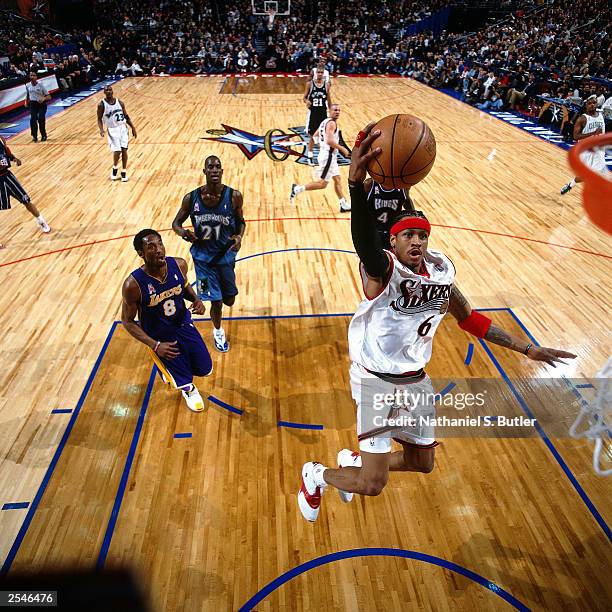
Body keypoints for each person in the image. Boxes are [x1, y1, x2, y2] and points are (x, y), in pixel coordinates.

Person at [297, 122, 577, 522]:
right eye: (406, 235)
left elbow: (473, 321)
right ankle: (317, 475)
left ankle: (356, 460)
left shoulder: (441, 276)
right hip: (376, 379)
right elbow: (363, 239)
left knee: (422, 462)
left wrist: (528, 348)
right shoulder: (382, 269)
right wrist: (357, 188)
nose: (415, 241)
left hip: (416, 379)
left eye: (421, 235)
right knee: (373, 486)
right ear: (391, 243)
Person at [121, 229, 212, 412]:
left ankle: (172, 370)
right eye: (151, 247)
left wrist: (196, 299)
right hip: (161, 337)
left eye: (160, 244)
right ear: (141, 253)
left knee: (205, 368)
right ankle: (188, 389)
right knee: (182, 380)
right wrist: (155, 345)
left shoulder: (179, 265)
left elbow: (183, 286)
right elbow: (128, 322)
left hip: (183, 324)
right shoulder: (133, 285)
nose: (158, 250)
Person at [172, 156, 245, 353]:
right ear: (204, 171)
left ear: (222, 171)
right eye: (210, 167)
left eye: (217, 167)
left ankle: (221, 310)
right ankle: (218, 331)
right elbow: (176, 223)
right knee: (217, 301)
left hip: (225, 257)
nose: (214, 170)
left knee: (229, 300)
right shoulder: (191, 198)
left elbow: (241, 222)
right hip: (202, 260)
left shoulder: (234, 196)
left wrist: (239, 237)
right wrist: (183, 232)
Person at [290, 104, 351, 213]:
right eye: (335, 110)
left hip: (327, 154)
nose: (337, 112)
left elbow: (314, 137)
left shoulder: (324, 122)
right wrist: (343, 149)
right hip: (328, 156)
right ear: (329, 111)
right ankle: (297, 189)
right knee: (322, 184)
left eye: (339, 110)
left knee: (337, 179)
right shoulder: (331, 123)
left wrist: (316, 148)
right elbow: (329, 141)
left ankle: (343, 204)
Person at [0, 135, 50, 247]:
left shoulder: (1, 140)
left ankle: (41, 221)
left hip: (8, 176)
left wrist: (14, 159)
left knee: (26, 200)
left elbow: (7, 153)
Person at [560, 95, 608, 194]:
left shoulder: (601, 116)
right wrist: (593, 133)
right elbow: (575, 136)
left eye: (594, 103)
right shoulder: (582, 119)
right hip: (586, 150)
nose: (592, 105)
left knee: (599, 172)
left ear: (597, 104)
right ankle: (570, 184)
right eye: (589, 103)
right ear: (586, 105)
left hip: (599, 149)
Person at [97, 85, 137, 182]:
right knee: (117, 151)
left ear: (112, 91)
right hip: (112, 129)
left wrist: (133, 127)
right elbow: (99, 118)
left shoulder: (120, 102)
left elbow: (126, 115)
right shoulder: (101, 105)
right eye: (106, 90)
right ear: (104, 92)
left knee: (124, 150)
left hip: (123, 128)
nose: (109, 91)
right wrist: (101, 129)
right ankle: (114, 168)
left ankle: (123, 171)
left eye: (110, 89)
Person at [364, 177, 414, 249]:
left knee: (393, 258)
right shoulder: (369, 185)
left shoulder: (403, 186)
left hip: (393, 232)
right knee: (367, 258)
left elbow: (407, 201)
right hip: (372, 231)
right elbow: (359, 207)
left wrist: (415, 217)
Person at [303, 66, 331, 165]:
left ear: (323, 73)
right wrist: (307, 101)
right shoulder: (310, 84)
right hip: (313, 113)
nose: (319, 74)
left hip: (323, 113)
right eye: (318, 72)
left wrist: (331, 111)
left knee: (323, 136)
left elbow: (329, 99)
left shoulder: (327, 85)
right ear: (315, 73)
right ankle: (310, 156)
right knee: (312, 135)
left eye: (321, 72)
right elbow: (304, 97)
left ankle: (322, 156)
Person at [25, 72, 51, 142]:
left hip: (41, 105)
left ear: (36, 77)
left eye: (34, 75)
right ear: (29, 76)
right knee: (33, 120)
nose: (32, 77)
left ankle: (44, 135)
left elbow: (49, 96)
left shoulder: (40, 85)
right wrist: (26, 101)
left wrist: (43, 99)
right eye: (31, 75)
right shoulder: (27, 85)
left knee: (41, 119)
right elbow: (28, 93)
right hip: (33, 104)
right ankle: (34, 136)